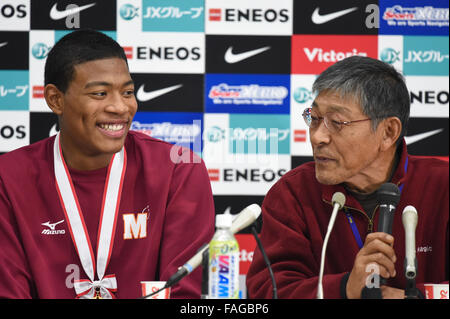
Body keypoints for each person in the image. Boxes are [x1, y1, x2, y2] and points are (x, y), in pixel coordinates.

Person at [0, 29, 215, 299]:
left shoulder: (179, 170)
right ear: (56, 99)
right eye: (100, 94)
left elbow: (185, 294)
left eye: (127, 92)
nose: (120, 107)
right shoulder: (8, 177)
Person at [246, 56, 449, 299]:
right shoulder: (293, 193)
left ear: (388, 132)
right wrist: (345, 289)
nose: (318, 137)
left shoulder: (442, 186)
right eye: (315, 118)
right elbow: (267, 293)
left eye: (337, 122)